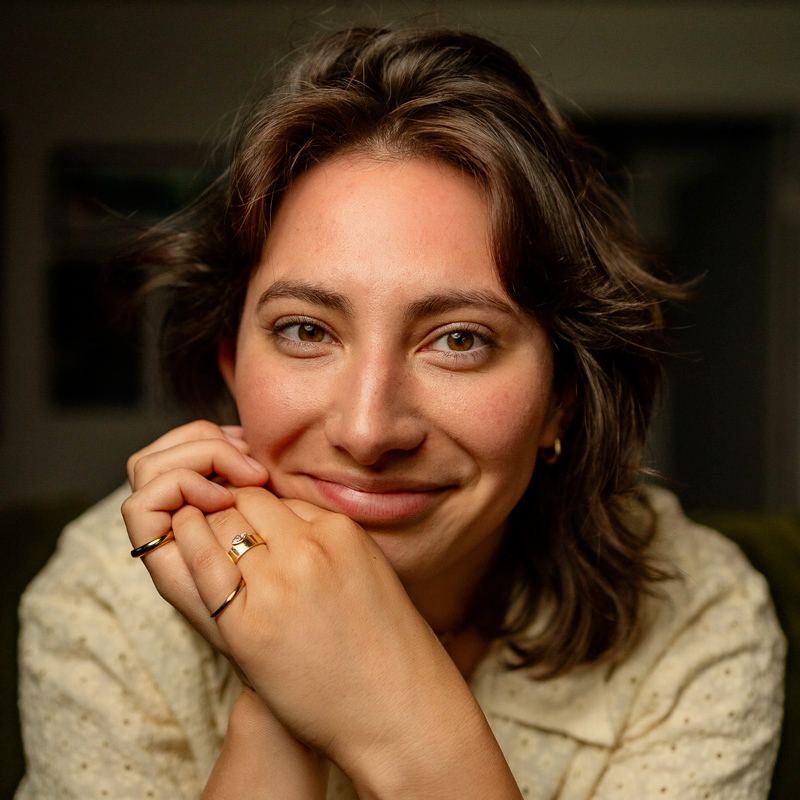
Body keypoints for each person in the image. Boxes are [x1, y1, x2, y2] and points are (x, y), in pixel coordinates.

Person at [16, 26, 785, 800]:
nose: (367, 429)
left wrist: (396, 718)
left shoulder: (697, 610)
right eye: (307, 330)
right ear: (231, 363)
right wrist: (280, 709)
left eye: (459, 339)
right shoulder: (100, 599)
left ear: (563, 398)